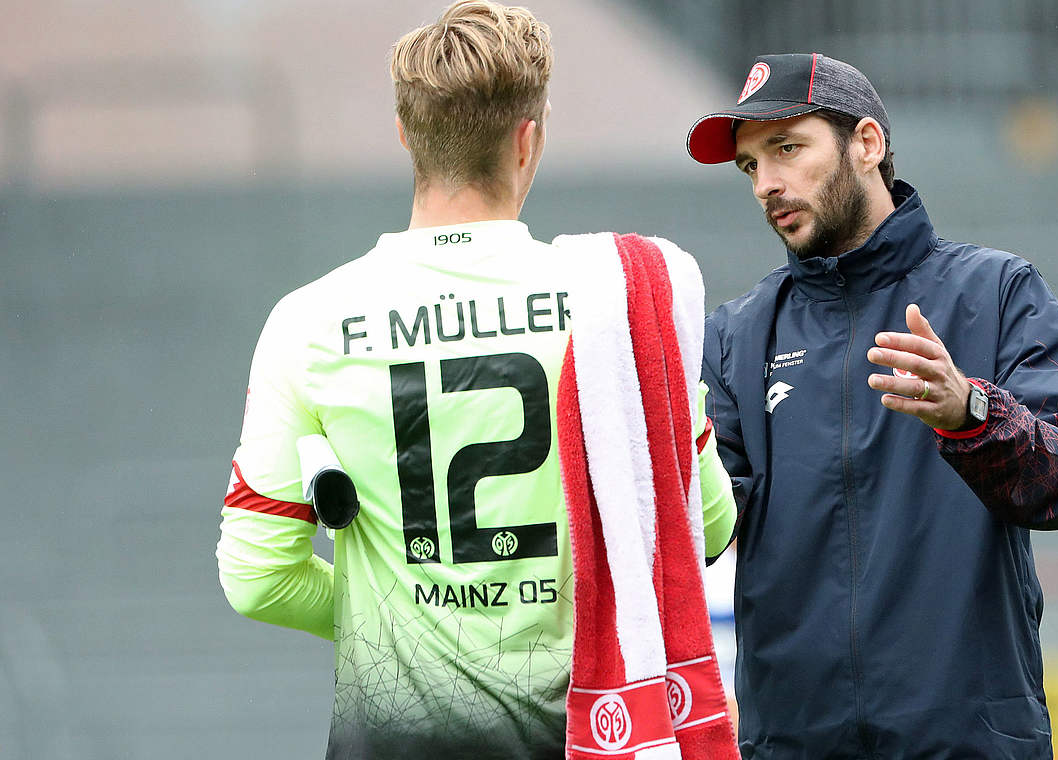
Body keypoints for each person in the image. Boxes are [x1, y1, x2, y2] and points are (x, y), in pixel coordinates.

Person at [215, 3, 737, 758]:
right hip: (590, 734)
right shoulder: (619, 302)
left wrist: (399, 621)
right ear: (530, 138)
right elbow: (708, 527)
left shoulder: (309, 321)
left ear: (406, 135)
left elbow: (257, 577)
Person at [687, 53, 1058, 758]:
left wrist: (972, 413)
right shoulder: (734, 336)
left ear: (868, 144)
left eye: (788, 149)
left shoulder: (998, 292)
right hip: (793, 744)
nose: (768, 183)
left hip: (967, 741)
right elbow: (701, 529)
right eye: (750, 166)